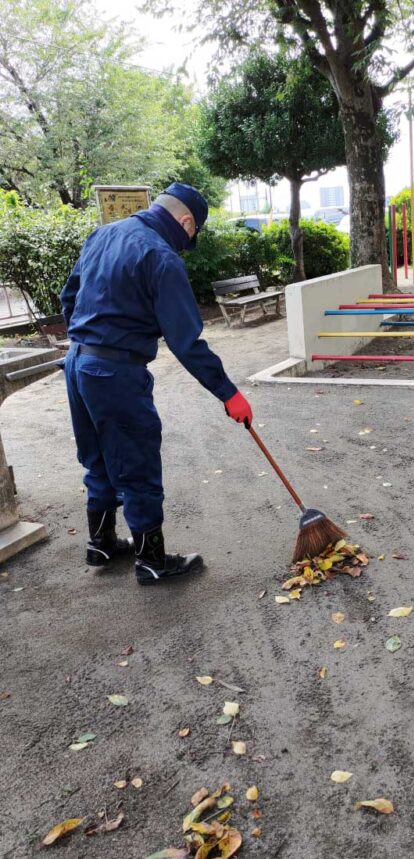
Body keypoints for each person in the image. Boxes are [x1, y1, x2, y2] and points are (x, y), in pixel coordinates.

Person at [60, 183, 252, 585]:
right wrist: (228, 392)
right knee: (137, 461)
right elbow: (186, 341)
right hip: (115, 373)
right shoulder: (160, 256)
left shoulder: (104, 234)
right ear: (186, 222)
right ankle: (151, 561)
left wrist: (89, 339)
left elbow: (69, 296)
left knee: (96, 455)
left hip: (77, 363)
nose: (187, 244)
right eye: (191, 235)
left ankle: (101, 542)